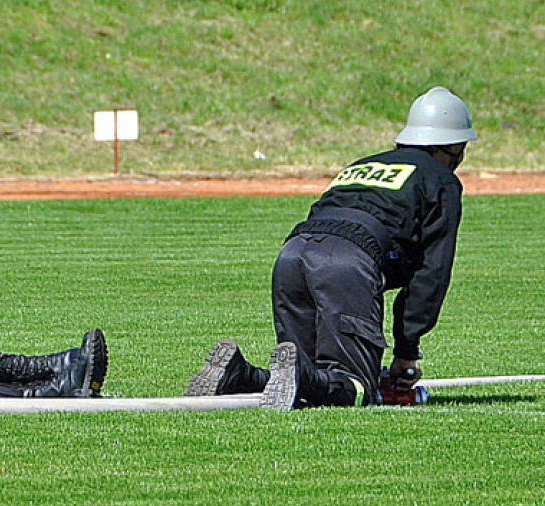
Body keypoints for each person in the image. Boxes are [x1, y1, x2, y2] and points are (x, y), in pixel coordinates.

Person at [186, 86, 476, 410]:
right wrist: (407, 351)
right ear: (450, 146)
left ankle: (238, 375)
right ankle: (289, 374)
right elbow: (431, 272)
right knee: (357, 387)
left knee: (306, 380)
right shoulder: (440, 180)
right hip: (346, 263)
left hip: (292, 256)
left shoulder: (364, 164)